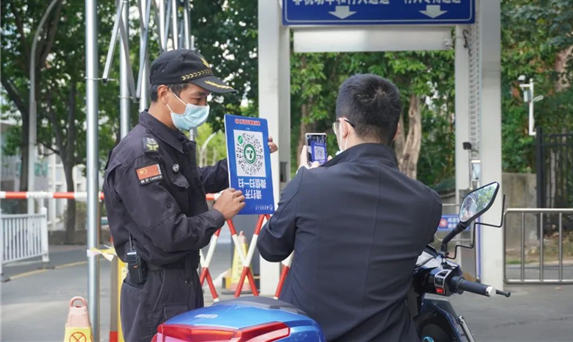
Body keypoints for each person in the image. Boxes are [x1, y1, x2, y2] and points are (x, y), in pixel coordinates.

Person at [103, 49, 277, 342]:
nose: (204, 105)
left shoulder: (168, 143)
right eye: (198, 98)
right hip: (156, 289)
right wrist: (218, 214)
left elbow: (193, 182)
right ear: (165, 93)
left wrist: (240, 163)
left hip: (182, 280)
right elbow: (170, 233)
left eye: (206, 99)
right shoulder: (139, 155)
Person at [258, 73, 442, 342]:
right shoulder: (427, 201)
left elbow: (270, 248)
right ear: (398, 129)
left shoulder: (308, 184)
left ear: (343, 127)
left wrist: (303, 178)